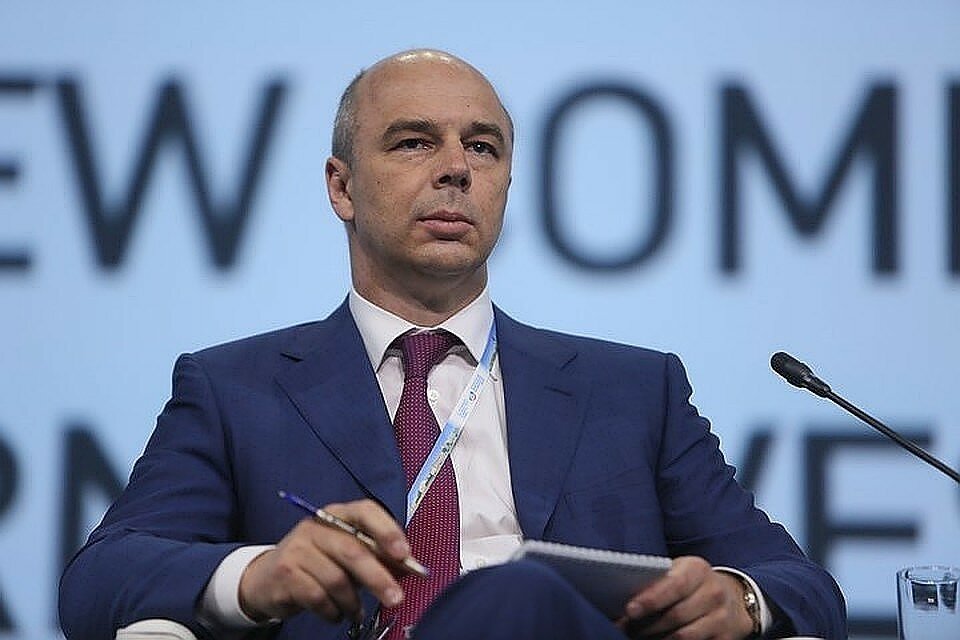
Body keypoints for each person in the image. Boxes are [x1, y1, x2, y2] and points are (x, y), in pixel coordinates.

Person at [58, 49, 846, 640]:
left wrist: (739, 599)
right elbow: (97, 581)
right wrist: (258, 575)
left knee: (522, 595)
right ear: (341, 186)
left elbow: (803, 584)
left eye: (483, 147)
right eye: (413, 143)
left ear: (506, 185)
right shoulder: (236, 388)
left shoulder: (633, 390)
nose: (456, 170)